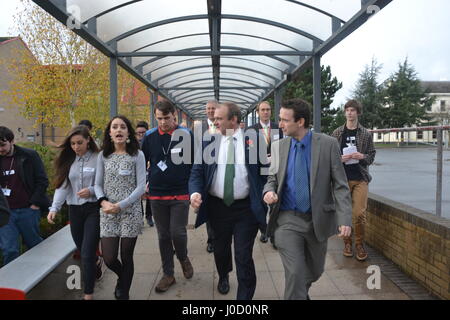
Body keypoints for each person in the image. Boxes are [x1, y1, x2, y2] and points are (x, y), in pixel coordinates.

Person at [263, 99, 352, 300]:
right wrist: (268, 192)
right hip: (286, 220)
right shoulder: (278, 147)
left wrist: (345, 218)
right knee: (295, 271)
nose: (280, 124)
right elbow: (272, 179)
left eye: (285, 120)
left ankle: (299, 294)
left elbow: (340, 185)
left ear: (300, 122)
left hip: (317, 220)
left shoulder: (328, 145)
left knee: (314, 271)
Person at [190, 102, 266, 300]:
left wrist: (267, 194)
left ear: (233, 120)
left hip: (246, 210)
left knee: (243, 256)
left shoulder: (254, 140)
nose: (214, 122)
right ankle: (223, 275)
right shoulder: (209, 142)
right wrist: (195, 193)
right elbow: (197, 172)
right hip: (217, 208)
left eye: (219, 119)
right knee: (221, 250)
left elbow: (265, 173)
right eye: (214, 118)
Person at [141, 100, 194, 293]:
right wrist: (143, 184)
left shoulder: (186, 135)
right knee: (163, 235)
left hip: (180, 192)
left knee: (177, 232)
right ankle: (168, 274)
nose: (163, 122)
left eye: (166, 118)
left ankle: (183, 257)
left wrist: (194, 188)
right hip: (157, 194)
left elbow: (195, 163)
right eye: (159, 119)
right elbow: (141, 162)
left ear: (175, 116)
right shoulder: (149, 136)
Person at [94, 115, 146, 300]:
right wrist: (103, 202)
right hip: (108, 211)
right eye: (114, 127)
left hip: (130, 211)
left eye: (123, 127)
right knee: (108, 258)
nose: (118, 130)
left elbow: (141, 187)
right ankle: (123, 278)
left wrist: (121, 205)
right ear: (109, 133)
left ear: (128, 132)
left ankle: (124, 290)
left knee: (126, 255)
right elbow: (97, 184)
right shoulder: (103, 155)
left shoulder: (137, 155)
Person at [47, 125, 100, 300]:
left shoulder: (99, 159)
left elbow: (106, 184)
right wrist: (54, 208)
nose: (76, 147)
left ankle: (88, 293)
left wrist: (91, 190)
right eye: (72, 144)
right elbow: (62, 186)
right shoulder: (69, 161)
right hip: (75, 210)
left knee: (85, 252)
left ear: (88, 141)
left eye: (79, 143)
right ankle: (95, 263)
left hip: (94, 210)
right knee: (83, 249)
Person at [331, 99, 376, 261]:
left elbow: (371, 155)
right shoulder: (337, 133)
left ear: (358, 113)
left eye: (353, 110)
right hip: (342, 179)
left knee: (358, 214)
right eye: (347, 110)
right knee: (344, 213)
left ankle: (359, 244)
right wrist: (339, 159)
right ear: (345, 113)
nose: (350, 113)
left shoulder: (365, 133)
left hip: (360, 178)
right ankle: (347, 243)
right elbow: (330, 157)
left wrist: (361, 156)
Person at [0, 126, 50, 266]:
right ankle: (12, 284)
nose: (0, 149)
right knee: (9, 249)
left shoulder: (29, 155)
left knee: (34, 245)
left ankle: (38, 274)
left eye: (3, 145)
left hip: (27, 209)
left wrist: (34, 204)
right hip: (5, 214)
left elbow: (42, 181)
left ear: (11, 141)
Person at [249, 101, 283, 244]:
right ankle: (264, 229)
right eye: (263, 110)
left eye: (268, 109)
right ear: (258, 112)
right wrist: (261, 157)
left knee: (274, 205)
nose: (265, 112)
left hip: (274, 172)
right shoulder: (251, 130)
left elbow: (284, 146)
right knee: (260, 205)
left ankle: (274, 236)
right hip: (258, 173)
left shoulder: (278, 128)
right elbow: (249, 151)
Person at [198, 100, 219, 254]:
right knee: (209, 209)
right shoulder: (199, 128)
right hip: (205, 174)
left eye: (213, 108)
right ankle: (211, 239)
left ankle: (221, 235)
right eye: (209, 109)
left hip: (222, 173)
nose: (211, 111)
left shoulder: (225, 127)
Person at [135, 121, 154, 227]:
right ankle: (140, 216)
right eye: (139, 133)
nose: (141, 135)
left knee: (150, 194)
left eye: (143, 132)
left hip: (149, 171)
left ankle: (149, 216)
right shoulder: (133, 145)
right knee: (138, 194)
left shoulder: (151, 142)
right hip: (138, 172)